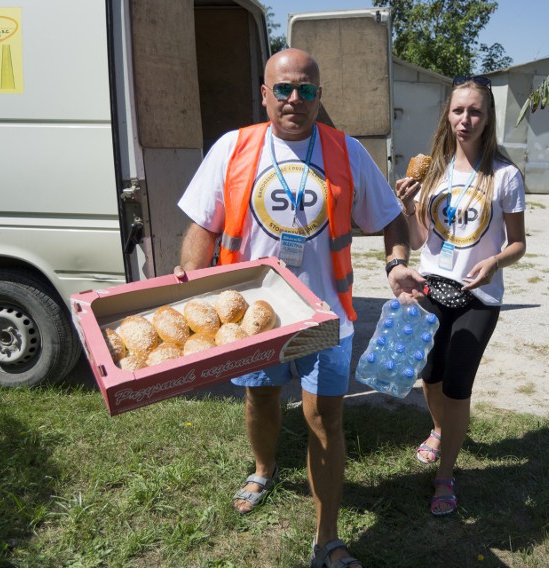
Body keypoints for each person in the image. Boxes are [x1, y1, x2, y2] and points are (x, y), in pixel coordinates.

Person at [176, 48, 423, 567]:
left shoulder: (347, 151)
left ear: (319, 96)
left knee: (323, 419)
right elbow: (204, 225)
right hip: (253, 317)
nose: (295, 99)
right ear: (264, 94)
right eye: (283, 89)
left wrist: (397, 261)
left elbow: (391, 218)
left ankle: (327, 537)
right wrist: (192, 285)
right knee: (261, 399)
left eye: (306, 90)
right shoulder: (233, 148)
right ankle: (263, 469)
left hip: (322, 315)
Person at [395, 75, 527, 516]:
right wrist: (407, 207)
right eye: (458, 110)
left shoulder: (505, 176)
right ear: (447, 115)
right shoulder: (434, 169)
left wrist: (493, 264)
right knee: (429, 376)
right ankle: (438, 429)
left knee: (456, 385)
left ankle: (446, 474)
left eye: (475, 111)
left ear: (488, 118)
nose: (465, 119)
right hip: (432, 287)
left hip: (478, 295)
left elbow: (518, 244)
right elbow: (418, 241)